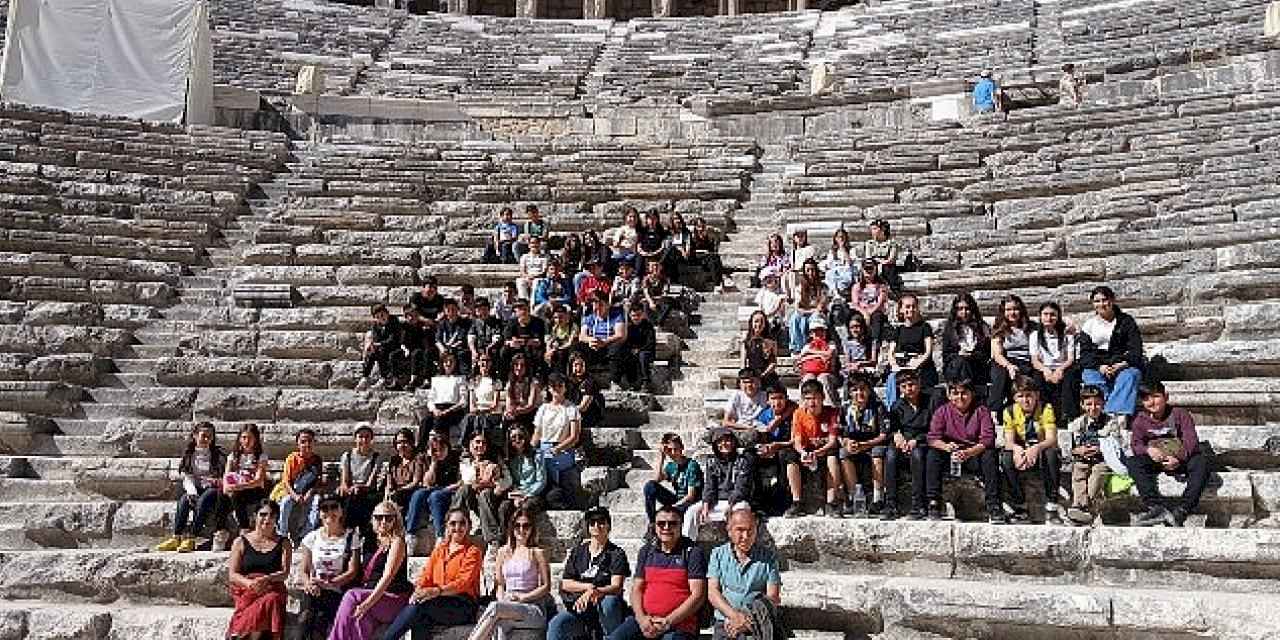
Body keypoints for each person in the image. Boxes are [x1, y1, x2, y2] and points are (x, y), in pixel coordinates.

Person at [608, 505, 707, 640]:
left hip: (680, 624)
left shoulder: (693, 553)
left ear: (681, 526)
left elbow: (698, 595)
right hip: (645, 620)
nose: (666, 527)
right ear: (655, 526)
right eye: (661, 524)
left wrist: (668, 621)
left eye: (672, 524)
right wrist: (641, 618)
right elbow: (636, 589)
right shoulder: (646, 551)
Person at [382, 508, 483, 639]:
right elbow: (426, 576)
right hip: (438, 600)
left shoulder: (473, 552)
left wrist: (436, 591)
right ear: (446, 525)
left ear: (468, 526)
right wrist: (418, 591)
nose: (457, 527)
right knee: (419, 616)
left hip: (463, 605)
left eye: (462, 523)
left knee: (420, 608)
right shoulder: (440, 550)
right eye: (453, 523)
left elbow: (463, 583)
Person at [1126, 381, 1209, 528]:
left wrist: (1178, 458)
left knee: (1201, 462)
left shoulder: (1180, 414)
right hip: (1157, 460)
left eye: (1156, 396)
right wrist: (1148, 450)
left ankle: (1182, 510)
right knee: (1134, 462)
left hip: (1180, 459)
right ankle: (1155, 507)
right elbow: (1136, 445)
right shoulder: (1140, 420)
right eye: (1146, 399)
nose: (1152, 402)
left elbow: (1191, 442)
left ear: (1166, 397)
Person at [328, 502, 412, 640]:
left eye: (388, 518)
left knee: (352, 595)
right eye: (379, 517)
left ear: (395, 520)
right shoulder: (370, 541)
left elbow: (387, 576)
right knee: (360, 621)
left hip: (393, 598)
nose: (383, 521)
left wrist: (366, 604)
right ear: (373, 519)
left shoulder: (397, 541)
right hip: (374, 598)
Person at [468, 508, 556, 640]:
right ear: (512, 528)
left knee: (495, 607)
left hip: (532, 608)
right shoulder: (502, 552)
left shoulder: (537, 553)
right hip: (508, 604)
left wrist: (522, 598)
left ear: (532, 528)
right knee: (500, 623)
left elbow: (546, 586)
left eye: (526, 525)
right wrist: (503, 598)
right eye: (517, 525)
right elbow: (499, 585)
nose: (521, 530)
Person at [548, 506, 632, 640]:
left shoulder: (616, 554)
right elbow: (566, 583)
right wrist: (588, 588)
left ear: (608, 526)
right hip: (580, 608)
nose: (597, 526)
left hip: (606, 610)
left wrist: (596, 592)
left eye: (601, 522)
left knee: (609, 602)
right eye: (592, 523)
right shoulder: (578, 552)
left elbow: (616, 586)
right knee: (556, 625)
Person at [925, 380, 1003, 523]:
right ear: (949, 395)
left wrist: (969, 452)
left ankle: (994, 505)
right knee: (932, 454)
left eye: (964, 393)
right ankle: (934, 502)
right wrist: (946, 447)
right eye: (955, 393)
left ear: (971, 394)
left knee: (990, 455)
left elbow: (988, 439)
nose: (959, 397)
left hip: (974, 455)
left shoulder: (981, 411)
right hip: (951, 455)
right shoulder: (942, 411)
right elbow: (932, 438)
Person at [706, 509, 783, 640]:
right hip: (725, 621)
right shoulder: (718, 554)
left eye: (750, 530)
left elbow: (772, 597)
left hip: (756, 622)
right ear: (729, 531)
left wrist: (748, 621)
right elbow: (713, 593)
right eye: (740, 530)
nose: (746, 536)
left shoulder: (768, 558)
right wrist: (734, 617)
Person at [156, 421, 227, 553]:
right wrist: (192, 492)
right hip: (195, 487)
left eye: (209, 436)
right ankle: (177, 536)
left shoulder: (218, 454)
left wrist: (212, 481)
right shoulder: (189, 454)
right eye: (203, 435)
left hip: (213, 489)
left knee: (204, 498)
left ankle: (192, 537)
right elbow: (187, 476)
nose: (206, 439)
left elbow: (223, 475)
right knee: (183, 500)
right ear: (195, 435)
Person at [1000, 376, 1062, 524]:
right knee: (1006, 458)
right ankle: (1020, 506)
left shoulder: (1046, 408)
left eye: (1029, 395)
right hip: (1022, 450)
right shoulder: (1009, 411)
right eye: (1020, 396)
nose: (1025, 400)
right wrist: (1016, 449)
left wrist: (1036, 448)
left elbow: (1051, 438)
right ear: (1014, 398)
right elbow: (1008, 440)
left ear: (1037, 395)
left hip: (1041, 448)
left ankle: (1052, 506)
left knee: (1051, 454)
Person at [226, 499, 292, 640]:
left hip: (272, 586)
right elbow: (232, 574)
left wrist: (267, 579)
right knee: (265, 604)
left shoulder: (284, 543)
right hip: (248, 589)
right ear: (255, 516)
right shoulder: (240, 542)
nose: (267, 519)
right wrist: (249, 583)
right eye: (263, 514)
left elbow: (285, 573)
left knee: (271, 599)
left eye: (272, 516)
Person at [1078, 286, 1144, 423]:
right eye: (1097, 301)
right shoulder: (1089, 325)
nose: (1101, 304)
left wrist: (1122, 364)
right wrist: (1099, 367)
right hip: (1098, 364)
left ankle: (1113, 416)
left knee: (1130, 376)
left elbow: (1136, 349)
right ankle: (1102, 414)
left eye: (1104, 300)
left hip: (1122, 363)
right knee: (1091, 377)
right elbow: (1085, 354)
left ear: (1112, 300)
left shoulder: (1126, 321)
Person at [297, 499, 360, 640]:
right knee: (305, 618)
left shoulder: (350, 537)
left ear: (341, 511)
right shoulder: (311, 537)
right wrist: (308, 583)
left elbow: (352, 570)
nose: (329, 512)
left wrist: (332, 583)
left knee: (321, 619)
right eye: (324, 508)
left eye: (334, 507)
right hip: (315, 588)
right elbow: (303, 570)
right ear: (319, 514)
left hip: (337, 589)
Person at [883, 370, 934, 521]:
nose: (908, 389)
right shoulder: (897, 405)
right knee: (890, 456)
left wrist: (917, 440)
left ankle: (918, 504)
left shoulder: (930, 402)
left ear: (919, 384)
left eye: (911, 385)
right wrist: (897, 436)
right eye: (904, 386)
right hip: (903, 441)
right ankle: (891, 504)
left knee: (917, 455)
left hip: (922, 440)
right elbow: (891, 428)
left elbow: (935, 428)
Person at [838, 376, 890, 517]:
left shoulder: (878, 407)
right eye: (855, 390)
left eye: (863, 389)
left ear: (869, 390)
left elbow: (884, 435)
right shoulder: (845, 408)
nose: (859, 393)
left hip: (873, 444)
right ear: (849, 392)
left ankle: (877, 498)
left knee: (878, 453)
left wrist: (864, 445)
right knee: (843, 454)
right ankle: (854, 496)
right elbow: (840, 433)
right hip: (854, 445)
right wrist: (847, 442)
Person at [789, 379, 841, 518]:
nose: (812, 402)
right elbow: (797, 441)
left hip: (824, 449)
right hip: (807, 450)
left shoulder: (832, 412)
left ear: (823, 398)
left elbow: (832, 441)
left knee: (832, 458)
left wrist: (816, 453)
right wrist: (803, 453)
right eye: (808, 399)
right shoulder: (798, 414)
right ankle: (796, 502)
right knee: (790, 459)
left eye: (816, 398)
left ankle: (831, 502)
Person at [404, 427, 461, 553]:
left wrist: (446, 489)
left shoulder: (455, 457)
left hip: (451, 490)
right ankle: (411, 535)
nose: (439, 452)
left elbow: (461, 481)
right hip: (433, 489)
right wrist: (433, 463)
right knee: (418, 494)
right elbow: (426, 483)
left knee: (435, 496)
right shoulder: (424, 458)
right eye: (435, 449)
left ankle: (441, 535)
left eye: (442, 448)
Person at [452, 430, 512, 546]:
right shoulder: (465, 462)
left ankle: (493, 540)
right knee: (463, 489)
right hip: (473, 498)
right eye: (477, 442)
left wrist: (496, 484)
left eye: (483, 443)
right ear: (470, 444)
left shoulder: (495, 459)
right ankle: (454, 526)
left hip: (492, 496)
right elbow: (468, 481)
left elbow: (508, 480)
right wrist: (477, 466)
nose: (480, 446)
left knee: (484, 494)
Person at [1065, 386, 1113, 526]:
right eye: (1089, 404)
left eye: (1097, 404)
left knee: (1097, 474)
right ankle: (1080, 505)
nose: (1093, 408)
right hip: (1083, 458)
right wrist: (1078, 450)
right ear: (1082, 405)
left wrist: (1100, 448)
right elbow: (1070, 446)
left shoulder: (1111, 422)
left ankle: (1084, 506)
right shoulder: (1077, 424)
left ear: (1103, 404)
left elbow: (1118, 444)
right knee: (1078, 472)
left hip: (1103, 459)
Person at [534, 372, 582, 508]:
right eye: (553, 386)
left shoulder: (571, 408)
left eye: (560, 385)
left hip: (564, 449)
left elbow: (574, 436)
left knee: (566, 485)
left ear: (565, 387)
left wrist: (558, 449)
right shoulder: (543, 409)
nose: (557, 388)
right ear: (549, 388)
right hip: (545, 450)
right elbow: (537, 433)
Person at [642, 433, 703, 540]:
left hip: (690, 502)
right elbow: (655, 480)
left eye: (676, 449)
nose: (673, 453)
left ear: (682, 448)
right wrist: (661, 456)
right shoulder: (671, 466)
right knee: (649, 486)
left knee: (665, 513)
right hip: (677, 499)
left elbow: (690, 496)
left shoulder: (692, 465)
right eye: (670, 450)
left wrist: (671, 507)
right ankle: (652, 524)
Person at [884, 294, 937, 408]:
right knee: (892, 378)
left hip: (919, 365)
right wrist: (894, 364)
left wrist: (915, 364)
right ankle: (892, 410)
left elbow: (928, 351)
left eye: (913, 306)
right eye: (907, 307)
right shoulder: (898, 330)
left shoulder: (925, 327)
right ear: (901, 309)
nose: (911, 310)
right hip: (901, 364)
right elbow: (891, 352)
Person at [754, 385, 800, 516]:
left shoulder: (794, 413)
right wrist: (765, 448)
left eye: (780, 398)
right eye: (773, 398)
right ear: (767, 401)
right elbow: (760, 436)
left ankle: (791, 502)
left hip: (788, 448)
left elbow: (793, 440)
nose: (777, 402)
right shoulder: (764, 415)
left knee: (785, 456)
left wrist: (777, 445)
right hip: (771, 449)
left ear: (786, 399)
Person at [1031, 301, 1079, 424]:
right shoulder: (1035, 335)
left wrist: (1060, 370)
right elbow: (1035, 360)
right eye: (1045, 314)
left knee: (1070, 377)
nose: (1049, 318)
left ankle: (1068, 415)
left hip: (1063, 367)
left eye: (1052, 314)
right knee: (1037, 378)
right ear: (1040, 316)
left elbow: (1070, 359)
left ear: (1058, 317)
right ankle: (1041, 414)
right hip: (1043, 367)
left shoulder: (1067, 335)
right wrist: (1046, 370)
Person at [988, 294, 1036, 413]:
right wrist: (1009, 366)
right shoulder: (999, 329)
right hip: (1006, 361)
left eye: (1015, 309)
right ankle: (994, 410)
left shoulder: (1032, 327)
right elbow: (997, 354)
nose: (1012, 313)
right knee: (1000, 374)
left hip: (1027, 361)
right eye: (1008, 310)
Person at [273, 429, 322, 543]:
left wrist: (308, 494)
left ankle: (306, 533)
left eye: (310, 441)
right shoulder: (292, 458)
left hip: (307, 492)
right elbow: (286, 481)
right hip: (290, 491)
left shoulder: (317, 460)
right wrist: (295, 496)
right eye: (303, 441)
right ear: (298, 444)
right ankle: (283, 533)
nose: (307, 444)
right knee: (286, 502)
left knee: (317, 501)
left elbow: (316, 481)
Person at [699, 428, 756, 524]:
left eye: (727, 440)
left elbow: (741, 488)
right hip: (716, 501)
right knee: (691, 512)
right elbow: (709, 486)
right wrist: (705, 505)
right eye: (720, 441)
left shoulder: (742, 461)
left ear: (733, 443)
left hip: (735, 502)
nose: (724, 444)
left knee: (741, 510)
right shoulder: (711, 462)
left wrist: (730, 505)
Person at [337, 424, 383, 540]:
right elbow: (344, 481)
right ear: (355, 438)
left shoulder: (376, 457)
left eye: (367, 437)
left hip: (367, 490)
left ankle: (351, 531)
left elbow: (371, 483)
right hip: (351, 490)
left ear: (371, 439)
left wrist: (358, 487)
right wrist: (348, 488)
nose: (364, 440)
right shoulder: (347, 456)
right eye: (360, 437)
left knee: (357, 499)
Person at [224, 423, 270, 538]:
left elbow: (258, 481)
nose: (246, 441)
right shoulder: (233, 456)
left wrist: (237, 487)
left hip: (254, 490)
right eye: (244, 437)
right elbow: (226, 475)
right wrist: (226, 487)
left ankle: (244, 528)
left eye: (250, 438)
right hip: (237, 488)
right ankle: (220, 530)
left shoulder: (261, 457)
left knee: (236, 495)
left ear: (256, 439)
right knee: (220, 495)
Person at [579, 291, 628, 391]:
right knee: (577, 347)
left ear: (607, 304)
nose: (598, 309)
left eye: (601, 305)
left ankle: (615, 381)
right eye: (595, 305)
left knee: (617, 348)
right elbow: (582, 336)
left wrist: (604, 342)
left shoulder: (616, 314)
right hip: (594, 344)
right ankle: (580, 379)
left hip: (609, 343)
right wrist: (591, 340)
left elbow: (620, 334)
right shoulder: (589, 316)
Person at [940, 293, 990, 385]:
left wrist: (972, 355)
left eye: (967, 309)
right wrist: (959, 354)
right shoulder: (950, 329)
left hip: (976, 366)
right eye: (960, 309)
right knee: (961, 362)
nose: (964, 312)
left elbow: (986, 353)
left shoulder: (982, 327)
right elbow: (946, 355)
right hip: (955, 366)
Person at [420, 351, 469, 444]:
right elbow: (431, 399)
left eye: (451, 361)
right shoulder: (436, 379)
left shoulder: (460, 379)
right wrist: (434, 410)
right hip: (438, 409)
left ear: (455, 363)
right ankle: (421, 448)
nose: (449, 364)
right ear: (442, 363)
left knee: (441, 421)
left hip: (454, 409)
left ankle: (441, 448)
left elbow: (463, 401)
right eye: (446, 361)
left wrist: (448, 411)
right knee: (426, 421)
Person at [503, 426, 548, 523]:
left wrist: (526, 494)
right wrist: (516, 494)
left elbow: (541, 481)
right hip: (516, 494)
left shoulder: (537, 455)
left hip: (534, 494)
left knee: (526, 507)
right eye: (513, 437)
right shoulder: (509, 458)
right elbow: (510, 480)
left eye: (520, 436)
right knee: (504, 507)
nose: (517, 440)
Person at [359, 303, 406, 391]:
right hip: (383, 348)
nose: (381, 318)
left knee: (388, 354)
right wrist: (371, 346)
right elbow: (375, 338)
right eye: (378, 317)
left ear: (387, 313)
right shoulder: (376, 325)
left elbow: (393, 339)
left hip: (395, 347)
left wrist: (379, 344)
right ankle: (365, 377)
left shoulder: (394, 322)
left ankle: (386, 379)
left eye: (382, 315)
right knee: (373, 353)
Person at [797, 316, 841, 407]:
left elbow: (830, 354)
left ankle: (830, 407)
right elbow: (801, 359)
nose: (818, 333)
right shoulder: (807, 346)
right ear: (811, 333)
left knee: (823, 378)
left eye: (821, 330)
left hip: (829, 373)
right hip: (811, 372)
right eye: (815, 331)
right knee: (808, 378)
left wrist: (810, 353)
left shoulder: (831, 344)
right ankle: (803, 407)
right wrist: (821, 355)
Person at [384, 429, 425, 524]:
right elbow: (389, 482)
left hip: (411, 490)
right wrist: (388, 492)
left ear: (411, 443)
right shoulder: (394, 460)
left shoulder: (418, 459)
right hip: (396, 492)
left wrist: (399, 490)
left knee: (399, 497)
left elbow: (416, 481)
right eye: (399, 442)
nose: (402, 445)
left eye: (405, 442)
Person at [787, 259, 826, 354]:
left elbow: (821, 307)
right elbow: (797, 307)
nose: (810, 273)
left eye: (812, 270)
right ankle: (797, 348)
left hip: (818, 314)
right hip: (806, 312)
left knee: (813, 317)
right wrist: (807, 311)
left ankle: (811, 345)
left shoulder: (822, 287)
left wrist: (808, 311)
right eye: (808, 270)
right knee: (795, 318)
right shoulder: (800, 287)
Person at [502, 300, 547, 378]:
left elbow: (539, 341)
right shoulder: (511, 322)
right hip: (516, 348)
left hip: (532, 348)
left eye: (524, 308)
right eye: (519, 309)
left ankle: (537, 376)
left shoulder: (538, 322)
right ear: (515, 312)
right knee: (504, 351)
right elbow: (507, 340)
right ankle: (504, 376)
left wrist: (523, 341)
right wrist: (512, 342)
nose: (522, 311)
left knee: (538, 352)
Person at [722, 367, 768, 444]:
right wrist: (745, 427)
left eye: (752, 381)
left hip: (759, 430)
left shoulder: (764, 396)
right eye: (745, 382)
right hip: (740, 428)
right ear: (740, 384)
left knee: (754, 435)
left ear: (759, 382)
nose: (749, 385)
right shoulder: (736, 395)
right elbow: (725, 422)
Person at [850, 258, 890, 345]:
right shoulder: (857, 286)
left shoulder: (881, 286)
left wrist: (869, 313)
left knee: (877, 317)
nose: (868, 271)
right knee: (855, 318)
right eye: (866, 268)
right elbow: (855, 303)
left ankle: (875, 344)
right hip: (862, 311)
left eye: (871, 268)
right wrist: (865, 313)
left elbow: (880, 302)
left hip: (876, 311)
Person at [504, 353, 543, 434]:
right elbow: (509, 404)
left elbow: (530, 405)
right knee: (507, 418)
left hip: (530, 412)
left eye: (522, 365)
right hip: (517, 412)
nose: (519, 368)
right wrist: (510, 411)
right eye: (516, 365)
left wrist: (516, 411)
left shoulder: (533, 382)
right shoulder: (510, 383)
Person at [567, 351, 606, 433]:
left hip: (587, 416)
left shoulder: (590, 382)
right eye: (576, 365)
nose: (578, 368)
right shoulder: (567, 382)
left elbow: (583, 407)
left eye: (581, 365)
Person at [622, 304, 657, 393]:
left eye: (638, 315)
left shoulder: (648, 326)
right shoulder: (628, 327)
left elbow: (650, 342)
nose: (636, 318)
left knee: (642, 356)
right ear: (630, 315)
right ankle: (632, 383)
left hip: (646, 351)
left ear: (643, 315)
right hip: (632, 350)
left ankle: (646, 383)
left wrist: (639, 350)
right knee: (626, 356)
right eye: (633, 316)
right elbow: (625, 341)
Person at [742, 310, 781, 390]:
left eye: (761, 322)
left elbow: (773, 363)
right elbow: (743, 363)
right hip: (751, 375)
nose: (758, 324)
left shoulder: (772, 342)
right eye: (756, 321)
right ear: (751, 323)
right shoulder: (747, 342)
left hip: (767, 376)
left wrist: (762, 376)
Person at [863, 219, 903, 295]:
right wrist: (879, 262)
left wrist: (880, 262)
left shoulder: (892, 243)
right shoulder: (869, 243)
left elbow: (891, 259)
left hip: (887, 266)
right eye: (871, 229)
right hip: (874, 265)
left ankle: (895, 292)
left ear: (882, 229)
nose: (872, 232)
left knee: (888, 268)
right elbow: (868, 258)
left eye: (874, 229)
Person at [401, 306, 436, 389]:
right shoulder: (404, 327)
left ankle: (426, 379)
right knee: (415, 353)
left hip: (422, 348)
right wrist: (405, 349)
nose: (412, 318)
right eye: (410, 316)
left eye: (414, 316)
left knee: (425, 353)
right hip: (410, 349)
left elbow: (426, 340)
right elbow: (402, 342)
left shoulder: (422, 326)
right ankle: (413, 379)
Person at [437, 298, 473, 377]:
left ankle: (465, 376)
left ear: (457, 309)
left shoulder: (464, 322)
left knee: (462, 354)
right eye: (448, 310)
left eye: (453, 309)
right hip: (444, 349)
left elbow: (461, 339)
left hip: (458, 347)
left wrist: (450, 348)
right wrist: (443, 349)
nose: (451, 312)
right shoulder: (442, 324)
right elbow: (438, 339)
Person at [469, 297, 505, 373]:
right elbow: (471, 338)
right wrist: (473, 351)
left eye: (484, 309)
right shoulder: (475, 323)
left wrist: (488, 348)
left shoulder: (496, 322)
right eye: (479, 310)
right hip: (479, 349)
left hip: (492, 348)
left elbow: (497, 338)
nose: (482, 312)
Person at [689, 216, 726, 290]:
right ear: (695, 227)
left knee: (714, 258)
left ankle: (717, 284)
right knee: (713, 258)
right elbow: (691, 250)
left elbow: (713, 248)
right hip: (696, 258)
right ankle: (720, 282)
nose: (701, 228)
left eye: (703, 226)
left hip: (707, 258)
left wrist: (711, 232)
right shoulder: (692, 237)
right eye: (699, 226)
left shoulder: (709, 237)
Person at [753, 270, 787, 348]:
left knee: (773, 325)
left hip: (775, 318)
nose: (769, 281)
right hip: (764, 317)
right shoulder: (762, 292)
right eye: (767, 279)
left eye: (771, 278)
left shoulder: (781, 294)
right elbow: (760, 307)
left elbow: (780, 309)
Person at [821, 228, 857, 301]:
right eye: (839, 237)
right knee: (830, 274)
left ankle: (840, 292)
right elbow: (830, 262)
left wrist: (843, 249)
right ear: (835, 238)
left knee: (846, 276)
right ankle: (835, 293)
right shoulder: (833, 250)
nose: (841, 239)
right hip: (835, 270)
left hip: (846, 269)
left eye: (843, 237)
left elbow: (850, 262)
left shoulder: (851, 250)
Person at [545, 304, 579, 376]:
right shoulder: (554, 327)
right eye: (556, 318)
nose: (558, 320)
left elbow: (570, 343)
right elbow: (549, 341)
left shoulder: (573, 326)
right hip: (557, 349)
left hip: (569, 349)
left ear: (567, 316)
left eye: (561, 317)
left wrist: (556, 349)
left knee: (561, 354)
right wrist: (548, 351)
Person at [841, 314, 878, 381]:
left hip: (866, 366)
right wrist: (853, 365)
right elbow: (847, 361)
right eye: (852, 327)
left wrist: (861, 364)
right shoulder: (847, 343)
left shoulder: (871, 342)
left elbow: (873, 361)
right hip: (853, 367)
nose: (854, 330)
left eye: (857, 326)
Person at [605, 208, 640, 277]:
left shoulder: (639, 230)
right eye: (630, 217)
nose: (632, 219)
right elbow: (615, 244)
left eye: (634, 217)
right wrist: (620, 241)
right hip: (620, 253)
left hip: (632, 253)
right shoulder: (622, 229)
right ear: (626, 217)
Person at [637, 210, 671, 279]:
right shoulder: (642, 231)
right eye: (650, 219)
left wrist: (654, 253)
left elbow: (663, 246)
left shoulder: (661, 231)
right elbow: (639, 245)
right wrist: (644, 253)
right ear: (647, 219)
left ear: (657, 219)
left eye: (654, 219)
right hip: (644, 253)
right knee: (639, 262)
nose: (652, 221)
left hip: (657, 253)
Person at [785, 229, 816, 301]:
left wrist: (797, 269)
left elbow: (808, 262)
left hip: (805, 271)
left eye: (802, 236)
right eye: (798, 236)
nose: (800, 238)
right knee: (785, 276)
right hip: (795, 271)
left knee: (792, 274)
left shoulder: (809, 249)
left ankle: (793, 297)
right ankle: (788, 296)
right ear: (794, 238)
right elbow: (792, 264)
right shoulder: (793, 251)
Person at [517, 237, 550, 302]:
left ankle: (532, 303)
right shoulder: (524, 257)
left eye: (536, 243)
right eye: (532, 243)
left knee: (536, 282)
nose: (534, 245)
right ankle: (524, 301)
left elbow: (544, 271)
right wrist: (527, 277)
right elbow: (522, 271)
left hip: (539, 278)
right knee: (520, 281)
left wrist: (534, 277)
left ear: (539, 245)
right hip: (528, 277)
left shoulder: (545, 257)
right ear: (529, 245)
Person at [641, 260, 672, 327]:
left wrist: (659, 299)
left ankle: (659, 323)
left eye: (656, 266)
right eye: (652, 266)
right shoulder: (646, 279)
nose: (654, 268)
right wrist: (651, 302)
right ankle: (651, 323)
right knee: (645, 304)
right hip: (649, 299)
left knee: (667, 304)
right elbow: (646, 292)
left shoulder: (665, 279)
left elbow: (665, 292)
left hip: (660, 298)